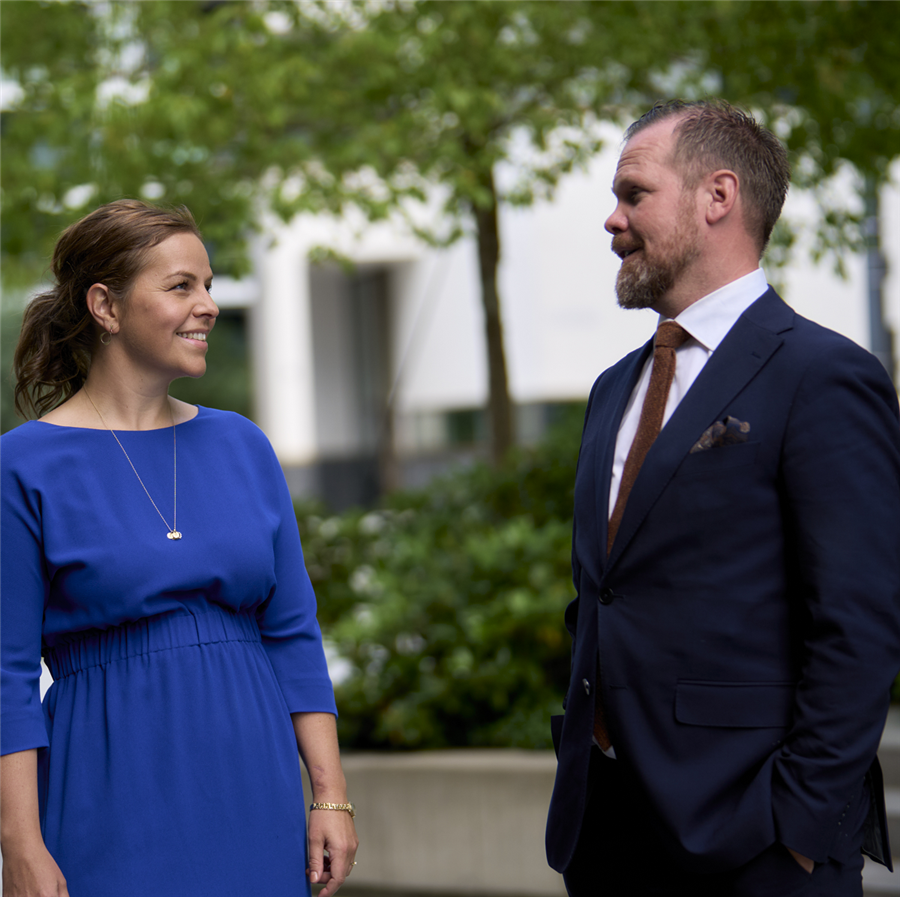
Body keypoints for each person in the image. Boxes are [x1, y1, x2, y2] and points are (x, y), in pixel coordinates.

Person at [545, 100, 900, 896]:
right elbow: (605, 593)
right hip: (605, 835)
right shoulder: (613, 390)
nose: (611, 219)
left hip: (757, 845)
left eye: (633, 193)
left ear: (718, 196)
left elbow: (859, 626)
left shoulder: (822, 377)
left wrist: (797, 827)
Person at [0, 200, 358, 896]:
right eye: (181, 285)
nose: (209, 305)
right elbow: (6, 673)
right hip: (107, 790)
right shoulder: (23, 465)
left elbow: (293, 635)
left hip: (256, 789)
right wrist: (19, 843)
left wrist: (330, 795)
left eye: (211, 284)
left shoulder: (243, 445)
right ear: (105, 305)